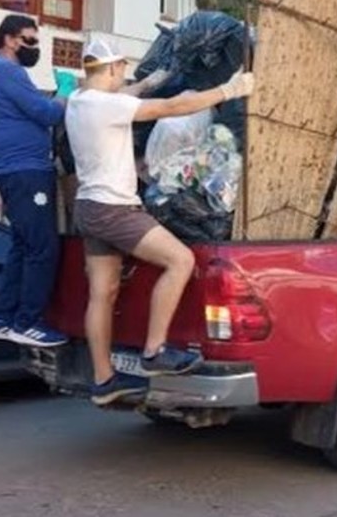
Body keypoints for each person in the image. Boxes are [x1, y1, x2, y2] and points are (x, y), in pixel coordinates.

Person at [65, 39, 254, 405]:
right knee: (180, 260)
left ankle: (104, 380)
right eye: (122, 71)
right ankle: (155, 351)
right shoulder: (108, 106)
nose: (124, 77)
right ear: (114, 68)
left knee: (101, 294)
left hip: (88, 207)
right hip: (114, 209)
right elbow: (171, 107)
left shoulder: (78, 101)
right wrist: (228, 90)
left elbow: (129, 94)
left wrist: (151, 81)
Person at [0, 14, 68, 348]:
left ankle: (1, 319)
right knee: (43, 248)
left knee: (22, 246)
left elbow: (33, 109)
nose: (35, 47)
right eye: (30, 40)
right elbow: (48, 114)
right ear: (9, 39)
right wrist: (66, 96)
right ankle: (28, 322)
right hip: (26, 172)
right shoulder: (7, 71)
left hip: (14, 171)